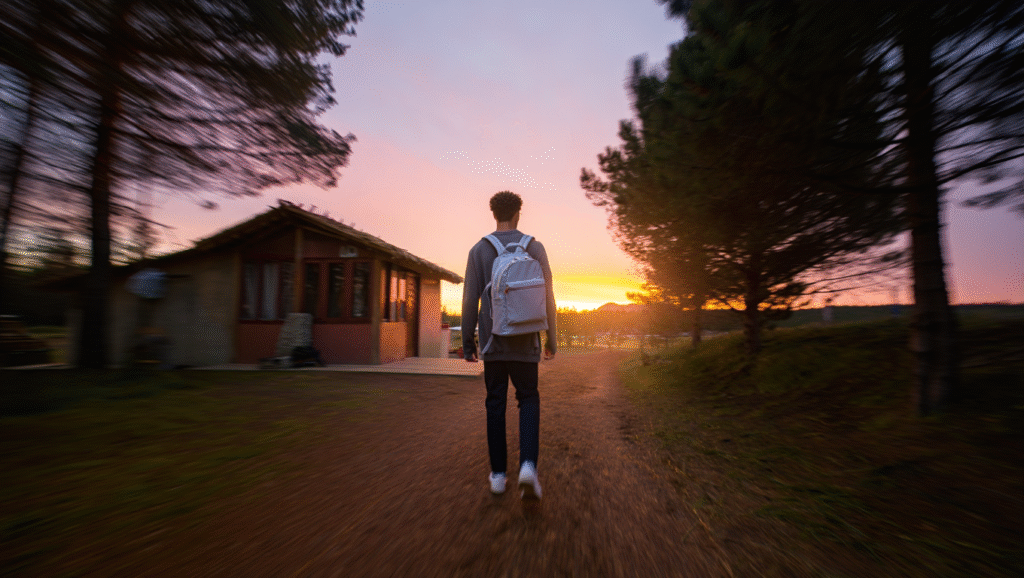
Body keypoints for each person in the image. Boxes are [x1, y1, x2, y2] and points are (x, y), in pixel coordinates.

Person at [462, 191, 557, 499]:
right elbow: (548, 298)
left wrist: (468, 343)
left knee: (496, 404)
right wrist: (551, 340)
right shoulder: (535, 247)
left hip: (494, 343)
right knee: (528, 399)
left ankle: (499, 476)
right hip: (527, 342)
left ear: (494, 214)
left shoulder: (479, 250)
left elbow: (469, 299)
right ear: (519, 213)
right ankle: (528, 466)